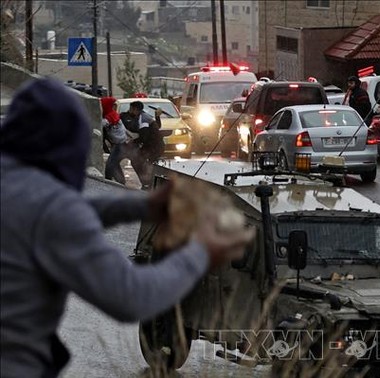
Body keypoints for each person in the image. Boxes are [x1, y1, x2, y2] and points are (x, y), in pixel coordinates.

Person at [0, 78, 255, 377]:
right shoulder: (53, 209)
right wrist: (200, 253)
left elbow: (53, 218)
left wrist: (142, 206)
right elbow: (133, 298)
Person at [120, 101, 165, 188]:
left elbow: (144, 136)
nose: (129, 111)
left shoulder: (143, 119)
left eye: (130, 109)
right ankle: (147, 183)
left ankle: (147, 183)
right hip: (154, 146)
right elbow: (156, 126)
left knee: (138, 161)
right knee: (140, 161)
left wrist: (132, 142)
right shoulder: (143, 116)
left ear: (135, 109)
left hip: (154, 147)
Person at [101, 97, 129, 184]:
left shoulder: (112, 115)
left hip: (120, 145)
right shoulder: (110, 114)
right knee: (114, 164)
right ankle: (121, 183)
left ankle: (108, 184)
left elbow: (102, 123)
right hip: (119, 145)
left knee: (110, 165)